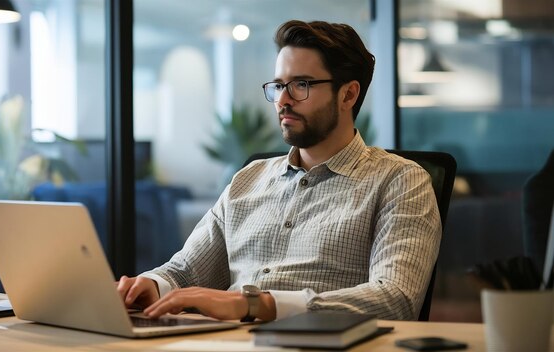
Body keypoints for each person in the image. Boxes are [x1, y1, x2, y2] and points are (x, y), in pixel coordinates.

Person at [117, 20, 441, 322]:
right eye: (278, 85)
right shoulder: (248, 179)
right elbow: (186, 272)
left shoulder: (400, 181)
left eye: (301, 85)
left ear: (348, 94)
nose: (283, 100)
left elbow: (395, 298)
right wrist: (151, 285)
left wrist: (257, 305)